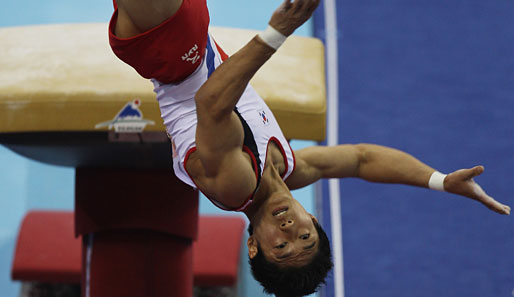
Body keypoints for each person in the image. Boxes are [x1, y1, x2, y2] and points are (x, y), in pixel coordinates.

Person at [108, 0, 511, 296]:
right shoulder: (289, 171)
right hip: (189, 43)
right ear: (315, 222)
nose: (290, 231)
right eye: (306, 238)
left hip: (168, 48)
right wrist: (439, 181)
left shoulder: (234, 186)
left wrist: (277, 32)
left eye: (280, 248)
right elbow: (360, 159)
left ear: (254, 246)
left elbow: (211, 103)